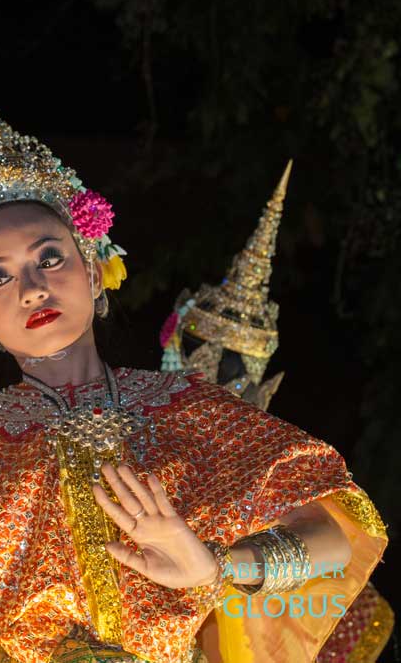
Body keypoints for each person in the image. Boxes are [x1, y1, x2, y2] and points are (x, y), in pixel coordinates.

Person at [0, 35, 387, 663]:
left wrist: (215, 564)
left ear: (91, 268)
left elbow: (338, 532)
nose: (30, 288)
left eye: (48, 258)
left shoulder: (187, 408)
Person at [159, 161, 395, 662]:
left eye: (226, 401)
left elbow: (333, 545)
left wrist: (218, 565)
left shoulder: (262, 462)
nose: (212, 415)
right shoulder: (126, 424)